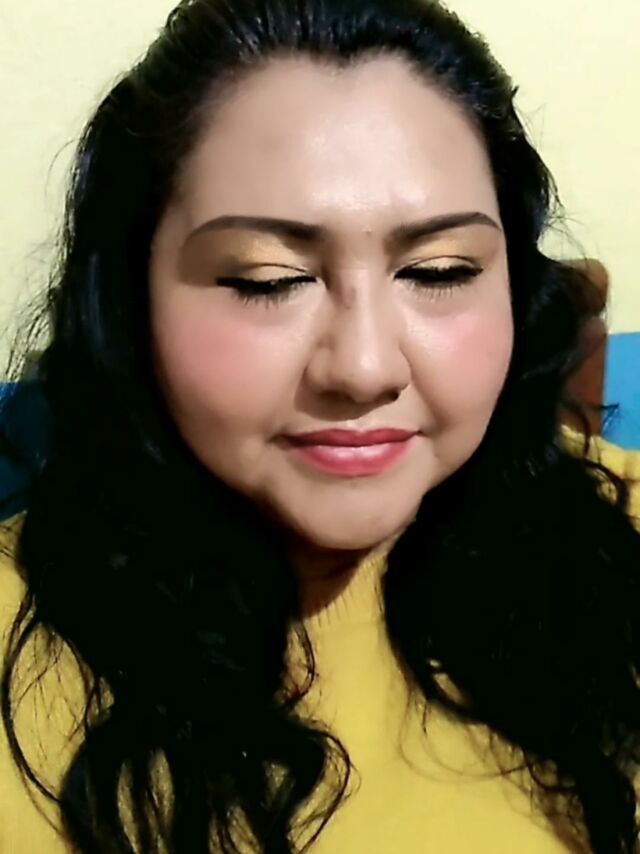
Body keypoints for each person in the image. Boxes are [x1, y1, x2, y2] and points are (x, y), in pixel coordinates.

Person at [0, 0, 639, 851]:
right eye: (267, 279)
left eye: (440, 271)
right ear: (129, 298)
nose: (364, 367)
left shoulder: (616, 538)